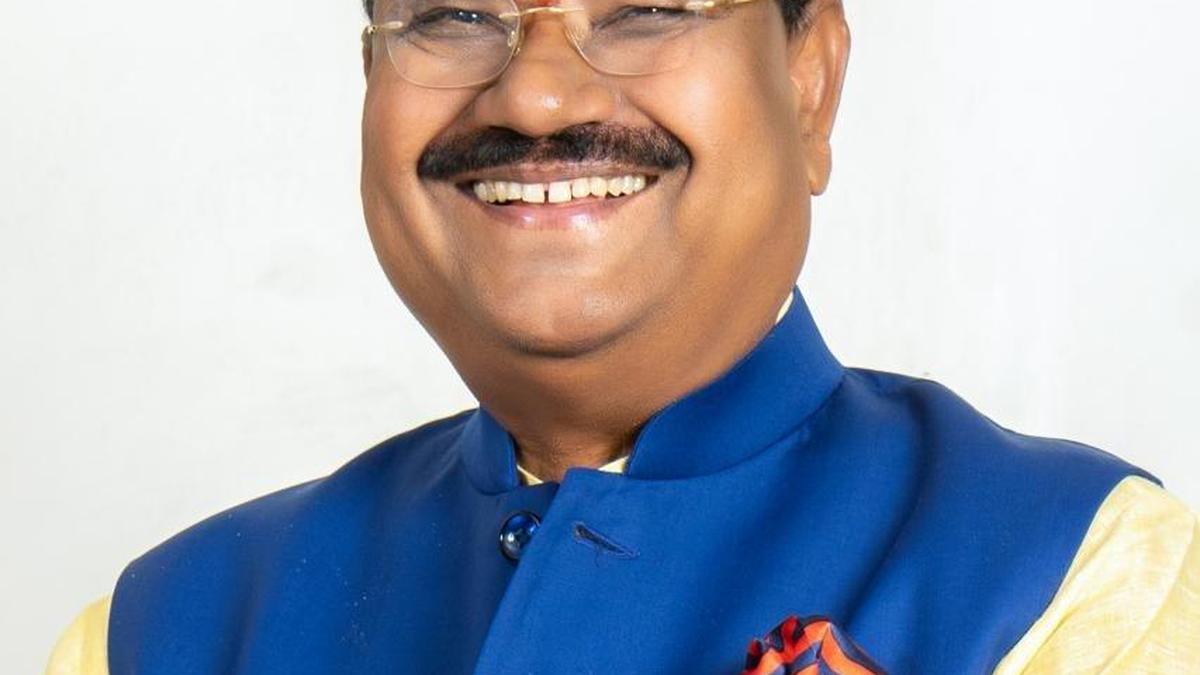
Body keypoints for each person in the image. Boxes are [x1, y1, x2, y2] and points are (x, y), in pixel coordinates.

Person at [47, 0, 1199, 672]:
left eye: (646, 6)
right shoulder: (161, 635)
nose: (535, 98)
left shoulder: (1075, 581)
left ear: (808, 84)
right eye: (454, 14)